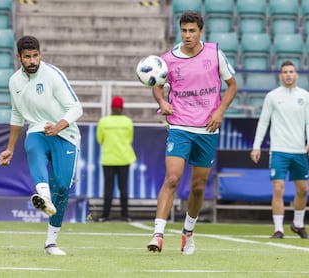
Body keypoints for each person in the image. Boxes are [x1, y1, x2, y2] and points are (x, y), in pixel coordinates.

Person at [147, 11, 237, 255]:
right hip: (179, 126)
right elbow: (157, 85)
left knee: (198, 187)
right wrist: (162, 101)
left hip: (207, 128)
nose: (187, 35)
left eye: (192, 31)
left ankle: (188, 232)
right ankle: (158, 234)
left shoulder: (215, 53)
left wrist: (219, 111)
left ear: (201, 32)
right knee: (172, 178)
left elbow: (232, 86)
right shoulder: (168, 59)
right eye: (184, 30)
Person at [0, 35, 83, 255]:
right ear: (19, 57)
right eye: (27, 57)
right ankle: (44, 197)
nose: (32, 60)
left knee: (63, 187)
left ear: (40, 54)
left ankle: (50, 242)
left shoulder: (53, 75)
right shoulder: (14, 81)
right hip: (37, 130)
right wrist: (10, 148)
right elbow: (17, 115)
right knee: (33, 146)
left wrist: (59, 126)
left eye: (35, 56)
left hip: (66, 134)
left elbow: (76, 108)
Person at [250, 60, 309, 239]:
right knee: (278, 188)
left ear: (296, 74)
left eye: (291, 71)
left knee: (303, 189)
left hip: (299, 151)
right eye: (285, 72)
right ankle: (278, 229)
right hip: (279, 150)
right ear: (280, 75)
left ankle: (298, 224)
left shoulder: (305, 96)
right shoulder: (273, 96)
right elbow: (264, 121)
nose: (289, 75)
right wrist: (256, 146)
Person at [96, 96, 137, 222]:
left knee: (108, 188)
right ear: (122, 108)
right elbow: (130, 139)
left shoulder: (104, 122)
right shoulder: (128, 122)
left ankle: (105, 215)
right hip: (124, 158)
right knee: (123, 187)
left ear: (111, 107)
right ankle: (125, 215)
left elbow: (99, 139)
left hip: (108, 158)